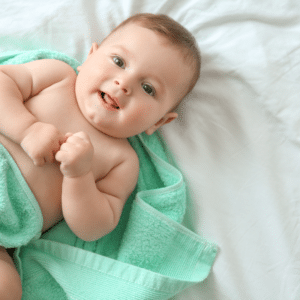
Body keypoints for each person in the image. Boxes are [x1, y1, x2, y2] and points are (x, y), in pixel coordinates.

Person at [0, 13, 201, 299]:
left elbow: (93, 227)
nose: (124, 83)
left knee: (8, 288)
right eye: (119, 62)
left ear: (158, 122)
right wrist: (27, 129)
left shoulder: (121, 161)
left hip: (6, 235)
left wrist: (79, 176)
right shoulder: (56, 76)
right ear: (91, 56)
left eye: (148, 88)